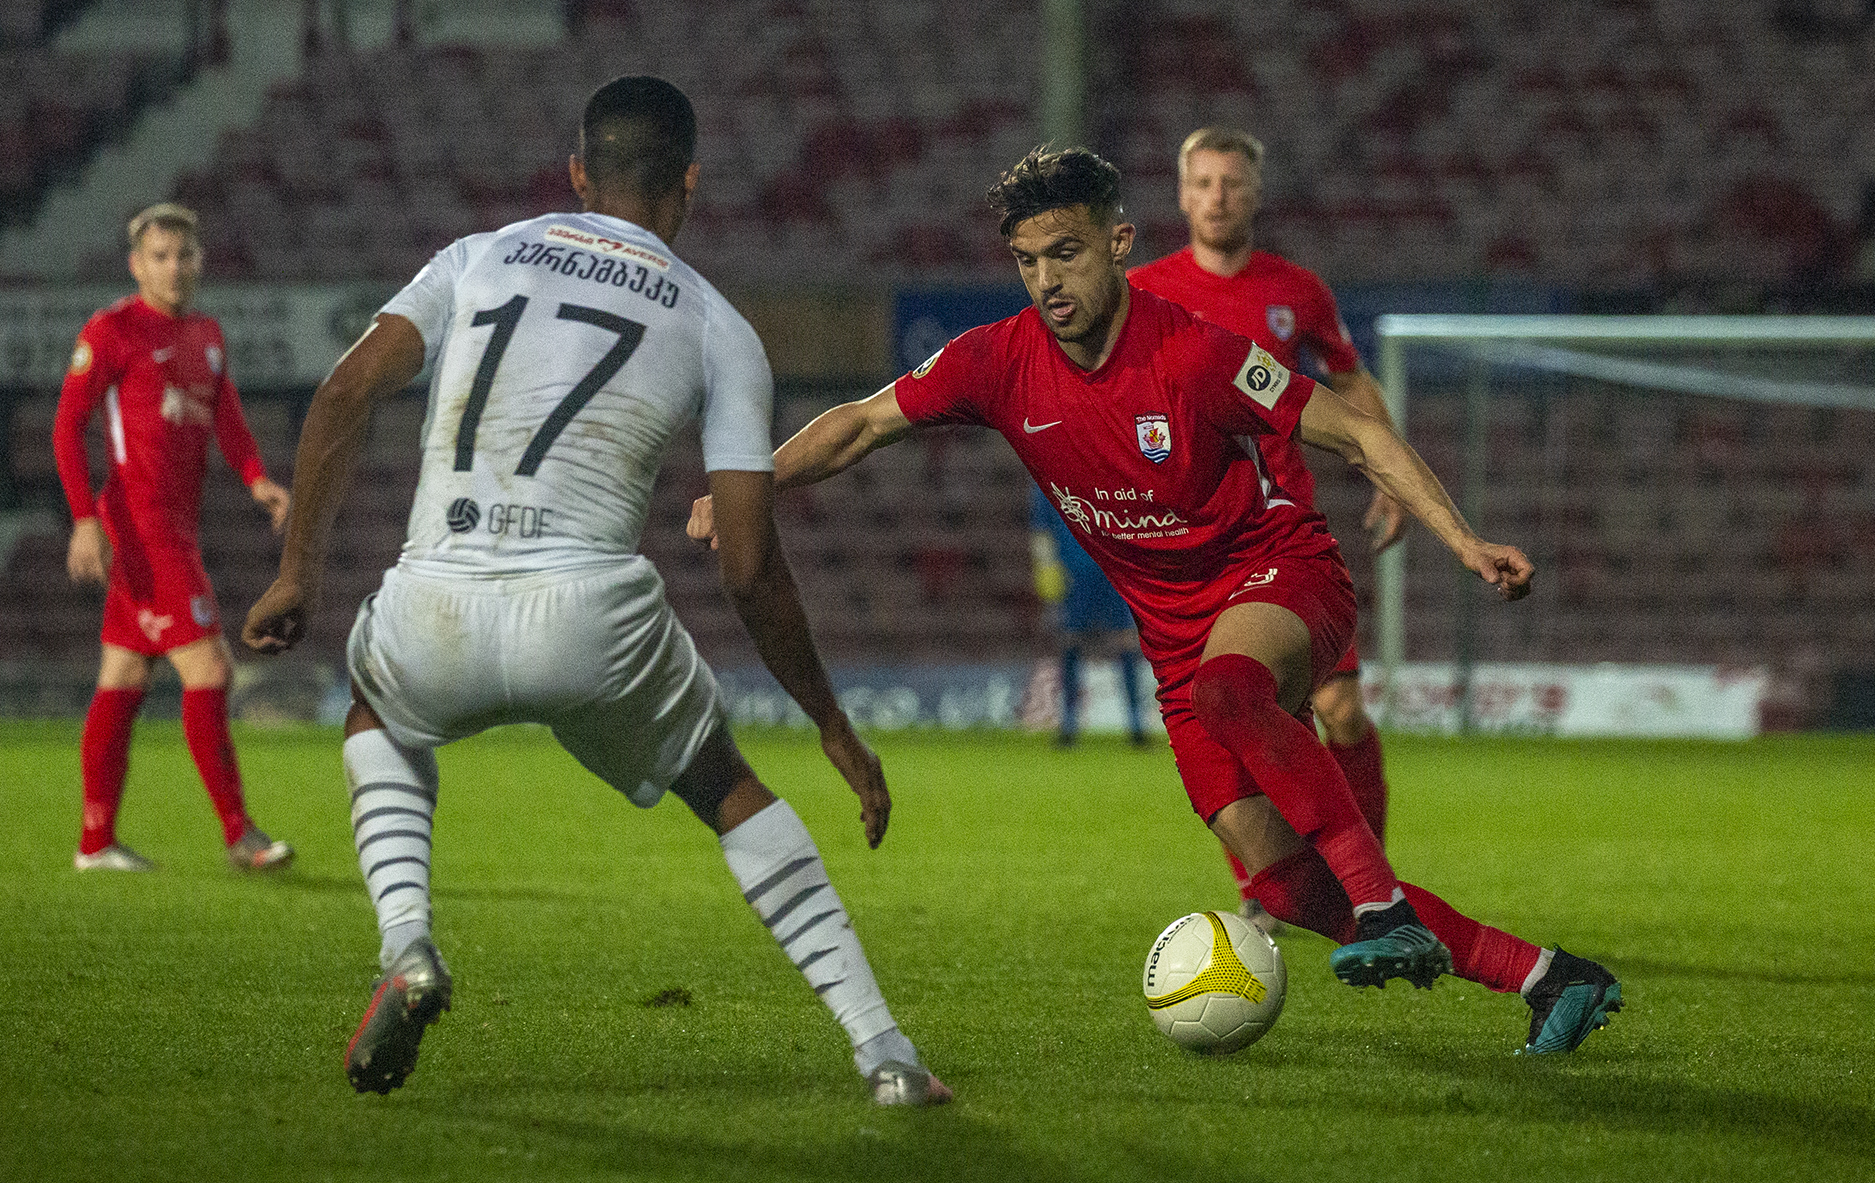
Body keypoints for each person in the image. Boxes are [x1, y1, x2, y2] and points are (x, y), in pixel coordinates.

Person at [689, 147, 1622, 1055]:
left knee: (1233, 693)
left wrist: (1463, 540)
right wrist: (750, 485)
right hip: (1175, 642)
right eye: (1027, 261)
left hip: (1282, 573)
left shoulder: (1197, 353)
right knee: (1285, 884)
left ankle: (1381, 903)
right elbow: (860, 425)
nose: (1047, 280)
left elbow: (1357, 433)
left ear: (1120, 242)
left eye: (1067, 252)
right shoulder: (997, 362)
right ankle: (1548, 976)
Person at [242, 76, 950, 1105]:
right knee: (726, 785)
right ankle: (884, 1052)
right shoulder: (718, 324)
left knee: (377, 714)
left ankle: (408, 945)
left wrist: (295, 572)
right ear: (690, 186)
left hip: (436, 596)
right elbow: (748, 563)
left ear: (577, 172)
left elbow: (348, 388)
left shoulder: (476, 255)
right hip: (589, 617)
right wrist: (831, 721)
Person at [1130, 126, 1397, 928]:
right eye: (1203, 182)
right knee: (1236, 716)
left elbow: (1352, 381)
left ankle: (1368, 884)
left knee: (1340, 708)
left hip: (1289, 534)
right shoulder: (1143, 290)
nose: (1217, 197)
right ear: (1181, 194)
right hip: (1196, 543)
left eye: (1232, 183)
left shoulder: (1297, 293)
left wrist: (1389, 474)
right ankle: (1272, 890)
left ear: (1255, 193)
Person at [53, 201, 294, 874]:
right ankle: (239, 833)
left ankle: (96, 843)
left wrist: (256, 480)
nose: (174, 267)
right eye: (159, 256)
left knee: (124, 674)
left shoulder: (206, 335)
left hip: (174, 528)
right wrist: (84, 518)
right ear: (137, 264)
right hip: (141, 528)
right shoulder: (111, 330)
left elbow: (229, 417)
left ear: (199, 260)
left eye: (184, 255)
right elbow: (66, 427)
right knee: (210, 668)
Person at [1030, 483, 1146, 745]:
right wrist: (1046, 566)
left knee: (1124, 639)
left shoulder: (1104, 466)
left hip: (1113, 567)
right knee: (1071, 640)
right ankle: (1069, 722)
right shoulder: (1046, 474)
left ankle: (1137, 722)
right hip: (1072, 571)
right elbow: (1041, 528)